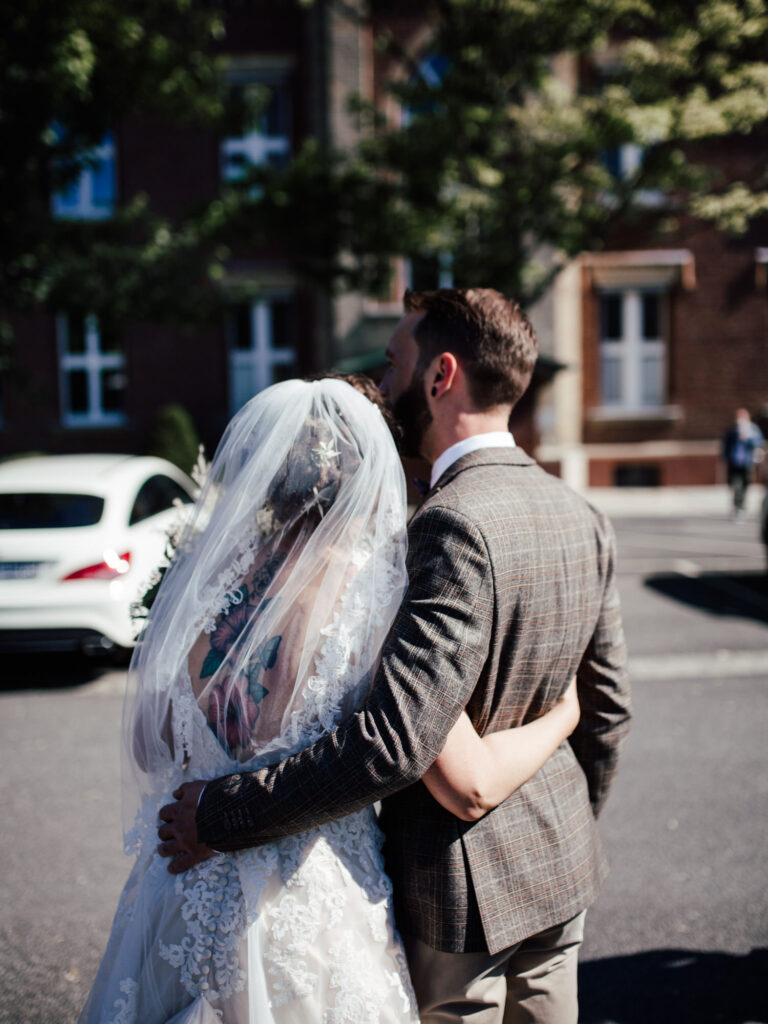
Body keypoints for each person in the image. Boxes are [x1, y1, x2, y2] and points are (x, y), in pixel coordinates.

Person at [159, 289, 632, 1024]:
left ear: (440, 377)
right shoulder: (583, 512)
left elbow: (393, 742)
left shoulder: (443, 527)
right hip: (560, 869)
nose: (383, 386)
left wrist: (220, 814)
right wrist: (567, 817)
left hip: (460, 897)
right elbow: (609, 708)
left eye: (393, 361)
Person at [81, 375, 583, 1024]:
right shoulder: (371, 598)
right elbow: (468, 780)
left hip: (181, 886)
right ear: (364, 480)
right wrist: (565, 714)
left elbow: (150, 744)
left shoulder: (208, 579)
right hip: (306, 903)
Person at [722, 408, 764, 519]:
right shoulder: (732, 430)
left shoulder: (753, 430)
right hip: (734, 461)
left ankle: (741, 507)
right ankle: (737, 507)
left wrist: (748, 438)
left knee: (745, 484)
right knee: (735, 485)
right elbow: (726, 445)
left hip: (747, 462)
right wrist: (725, 458)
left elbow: (758, 443)